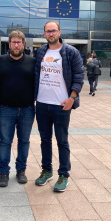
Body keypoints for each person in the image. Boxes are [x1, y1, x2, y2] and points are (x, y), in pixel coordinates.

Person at [34, 21, 84, 192]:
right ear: (44, 34)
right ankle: (47, 171)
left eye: (53, 31)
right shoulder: (41, 51)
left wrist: (72, 97)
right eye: (47, 31)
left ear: (59, 32)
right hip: (41, 104)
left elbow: (79, 76)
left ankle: (64, 174)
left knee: (62, 140)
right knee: (44, 139)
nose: (50, 34)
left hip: (61, 105)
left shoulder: (70, 52)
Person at [0, 30, 35, 187]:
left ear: (23, 44)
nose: (16, 45)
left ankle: (21, 171)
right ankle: (3, 173)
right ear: (9, 44)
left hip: (27, 109)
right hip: (6, 109)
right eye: (13, 42)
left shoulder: (32, 62)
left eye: (19, 42)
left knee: (24, 141)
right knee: (5, 142)